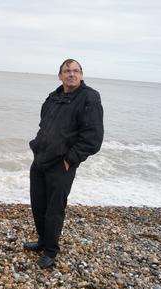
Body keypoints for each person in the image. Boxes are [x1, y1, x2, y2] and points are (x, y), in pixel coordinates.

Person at [24, 59, 104, 268]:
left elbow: (93, 138)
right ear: (60, 75)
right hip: (41, 160)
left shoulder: (89, 98)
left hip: (62, 164)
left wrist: (70, 159)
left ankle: (51, 251)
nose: (71, 74)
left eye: (76, 71)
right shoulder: (53, 97)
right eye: (67, 71)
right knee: (38, 204)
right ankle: (42, 241)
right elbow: (44, 123)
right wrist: (37, 147)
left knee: (54, 209)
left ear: (82, 75)